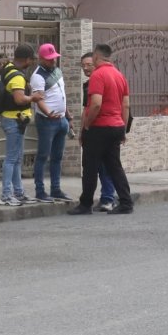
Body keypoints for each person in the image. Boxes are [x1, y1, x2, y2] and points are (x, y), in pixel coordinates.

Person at [67, 43, 134, 216]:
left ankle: (85, 204)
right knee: (114, 166)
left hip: (99, 127)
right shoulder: (120, 75)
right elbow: (125, 105)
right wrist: (124, 129)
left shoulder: (98, 75)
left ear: (96, 57)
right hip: (117, 126)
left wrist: (87, 124)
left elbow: (96, 103)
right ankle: (126, 202)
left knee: (90, 167)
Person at [0, 44, 43, 207]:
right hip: (14, 120)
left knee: (16, 159)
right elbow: (19, 99)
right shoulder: (17, 76)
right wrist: (34, 98)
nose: (32, 63)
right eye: (31, 59)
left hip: (12, 119)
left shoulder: (7, 68)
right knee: (11, 159)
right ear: (26, 59)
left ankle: (18, 192)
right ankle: (6, 195)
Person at [31, 43, 71, 203]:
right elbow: (38, 99)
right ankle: (40, 191)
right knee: (43, 155)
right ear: (41, 59)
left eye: (54, 58)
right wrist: (49, 113)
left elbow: (61, 94)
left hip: (61, 119)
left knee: (57, 156)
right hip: (47, 121)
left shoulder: (57, 71)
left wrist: (67, 114)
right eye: (49, 59)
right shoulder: (38, 76)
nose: (53, 61)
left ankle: (56, 189)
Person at [79, 52, 116, 210]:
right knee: (95, 167)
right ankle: (103, 198)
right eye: (83, 66)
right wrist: (82, 130)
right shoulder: (88, 84)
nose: (86, 68)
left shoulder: (104, 80)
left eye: (89, 64)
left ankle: (108, 198)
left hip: (102, 128)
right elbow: (86, 109)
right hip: (94, 129)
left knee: (105, 166)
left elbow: (96, 106)